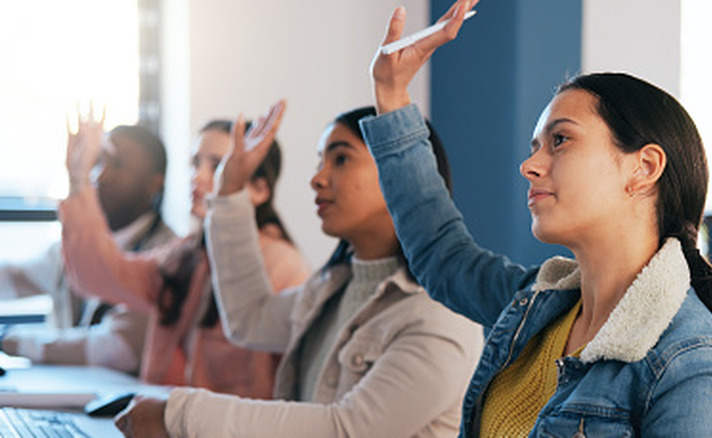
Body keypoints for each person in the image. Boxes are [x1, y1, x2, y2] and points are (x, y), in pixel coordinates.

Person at [357, 1, 712, 436]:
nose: (529, 165)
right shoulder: (537, 307)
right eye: (536, 145)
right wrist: (392, 95)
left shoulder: (695, 365)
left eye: (560, 140)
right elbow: (442, 255)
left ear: (643, 167)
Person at [113, 103, 483, 438]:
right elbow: (249, 318)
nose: (317, 179)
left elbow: (346, 429)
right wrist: (229, 190)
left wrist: (181, 413)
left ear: (404, 174)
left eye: (340, 159)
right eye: (320, 161)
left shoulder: (442, 312)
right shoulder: (332, 286)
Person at [59, 113, 310, 399]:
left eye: (218, 166)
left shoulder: (284, 267)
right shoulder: (186, 255)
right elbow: (101, 274)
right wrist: (79, 178)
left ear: (259, 189)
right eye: (195, 163)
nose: (198, 177)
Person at [0, 124, 175, 374]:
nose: (101, 176)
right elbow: (14, 279)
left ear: (153, 184)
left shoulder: (168, 255)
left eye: (119, 165)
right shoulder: (76, 246)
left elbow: (117, 348)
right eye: (98, 162)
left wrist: (11, 340)